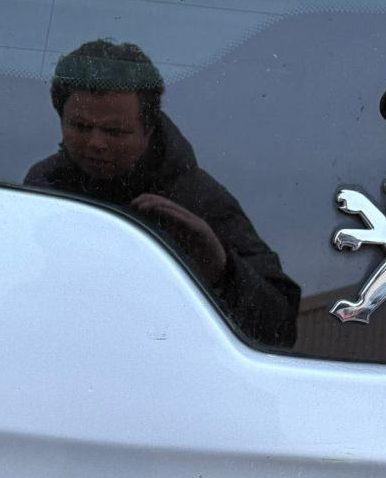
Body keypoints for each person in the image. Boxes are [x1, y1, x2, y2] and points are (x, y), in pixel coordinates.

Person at [26, 39, 300, 347]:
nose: (96, 143)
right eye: (79, 126)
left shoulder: (200, 200)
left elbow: (280, 329)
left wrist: (222, 270)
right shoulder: (43, 185)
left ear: (149, 129)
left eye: (115, 132)